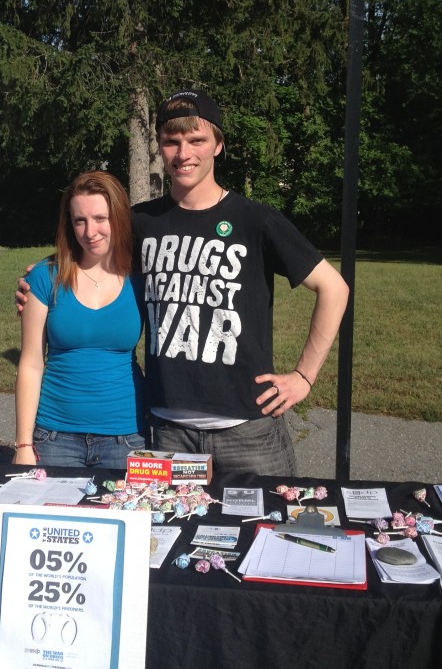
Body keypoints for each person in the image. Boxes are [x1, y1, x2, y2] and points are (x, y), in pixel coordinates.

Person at [19, 90, 349, 477]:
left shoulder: (256, 221)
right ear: (160, 147)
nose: (183, 153)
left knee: (264, 529)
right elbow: (90, 247)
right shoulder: (141, 222)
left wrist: (304, 376)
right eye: (171, 142)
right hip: (166, 431)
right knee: (169, 534)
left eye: (197, 140)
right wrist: (40, 274)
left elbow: (334, 288)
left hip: (248, 429)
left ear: (218, 145)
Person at [13, 171, 147, 469]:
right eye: (79, 221)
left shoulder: (142, 278)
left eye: (101, 218)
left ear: (119, 218)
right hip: (54, 438)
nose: (90, 232)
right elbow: (31, 363)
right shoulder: (45, 276)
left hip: (126, 437)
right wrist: (23, 444)